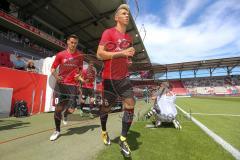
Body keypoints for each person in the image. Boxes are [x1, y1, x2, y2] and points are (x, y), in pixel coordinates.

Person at [97, 4, 135, 157]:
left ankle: (123, 139)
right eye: (124, 13)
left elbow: (125, 56)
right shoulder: (108, 33)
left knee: (131, 103)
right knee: (106, 109)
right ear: (116, 17)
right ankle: (104, 131)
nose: (127, 15)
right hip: (109, 80)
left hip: (123, 79)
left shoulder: (129, 38)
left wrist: (128, 59)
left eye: (128, 13)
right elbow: (100, 54)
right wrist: (121, 53)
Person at [49, 34, 84, 141]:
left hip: (73, 85)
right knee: (58, 109)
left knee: (72, 109)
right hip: (61, 85)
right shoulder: (60, 55)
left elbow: (80, 69)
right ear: (68, 42)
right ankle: (57, 130)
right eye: (72, 42)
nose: (73, 45)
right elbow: (52, 68)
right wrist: (56, 76)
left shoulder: (80, 56)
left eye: (75, 43)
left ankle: (66, 114)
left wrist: (79, 75)